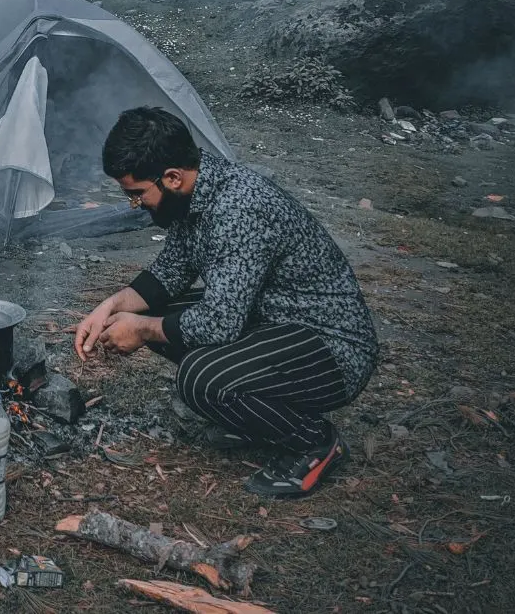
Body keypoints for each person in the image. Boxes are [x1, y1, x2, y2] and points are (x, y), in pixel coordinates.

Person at [74, 107, 378, 499]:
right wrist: (111, 307)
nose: (135, 205)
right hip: (277, 319)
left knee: (201, 380)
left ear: (171, 177)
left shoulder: (238, 210)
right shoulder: (194, 194)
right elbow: (171, 272)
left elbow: (220, 323)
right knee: (152, 314)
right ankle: (253, 417)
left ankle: (316, 444)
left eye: (137, 194)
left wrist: (141, 329)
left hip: (332, 348)